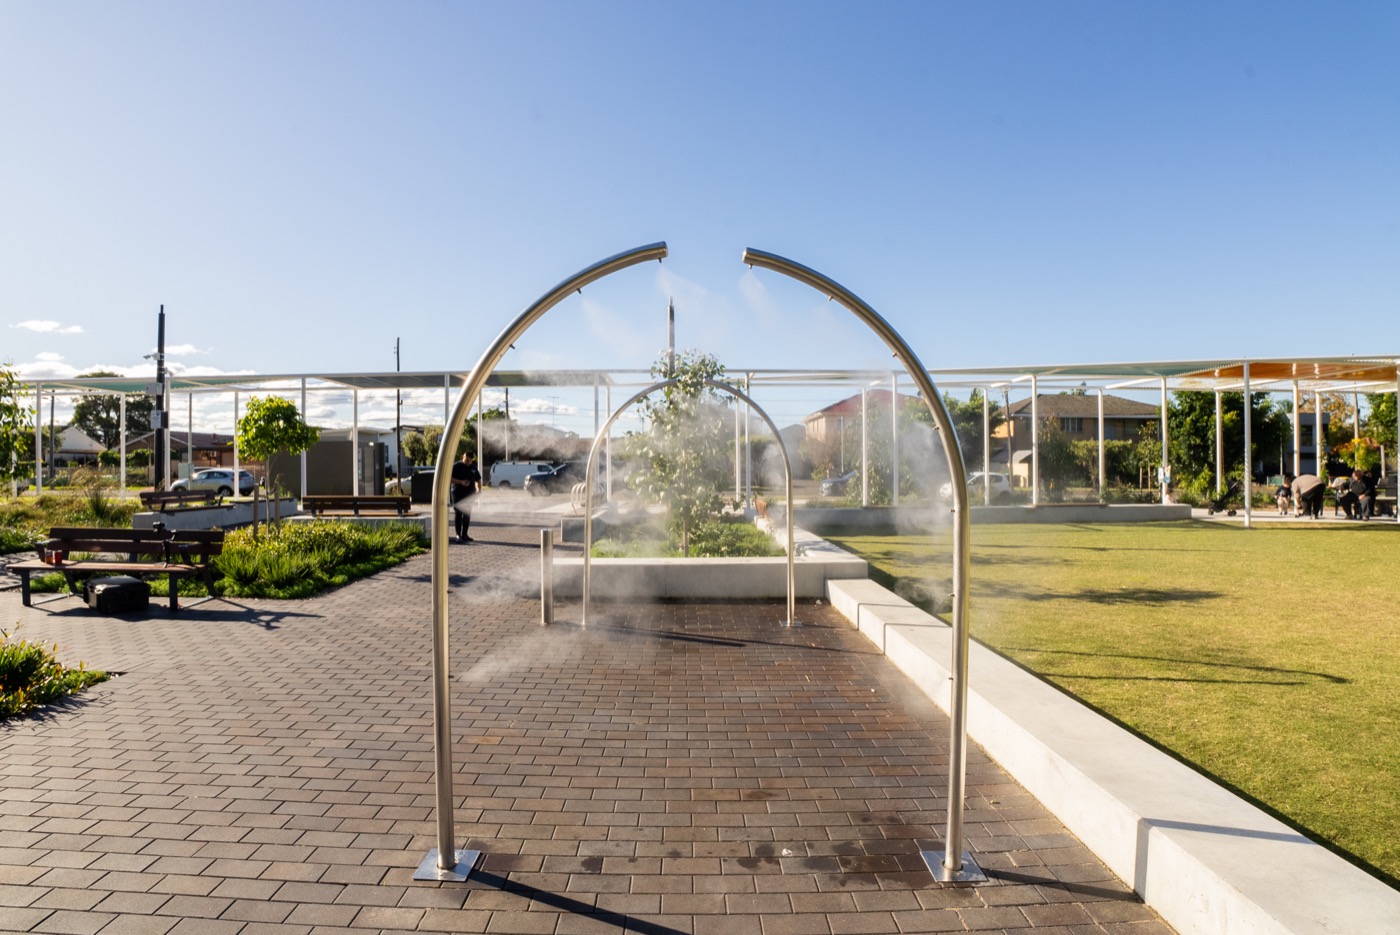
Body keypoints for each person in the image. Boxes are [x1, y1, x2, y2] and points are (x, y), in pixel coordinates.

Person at [449, 451, 481, 542]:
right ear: (463, 457)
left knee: (467, 514)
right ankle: (458, 535)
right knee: (458, 513)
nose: (468, 462)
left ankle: (465, 534)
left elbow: (478, 480)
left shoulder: (473, 468)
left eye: (470, 461)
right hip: (457, 493)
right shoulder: (456, 466)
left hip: (469, 494)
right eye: (466, 460)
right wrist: (461, 482)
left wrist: (479, 490)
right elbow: (449, 479)